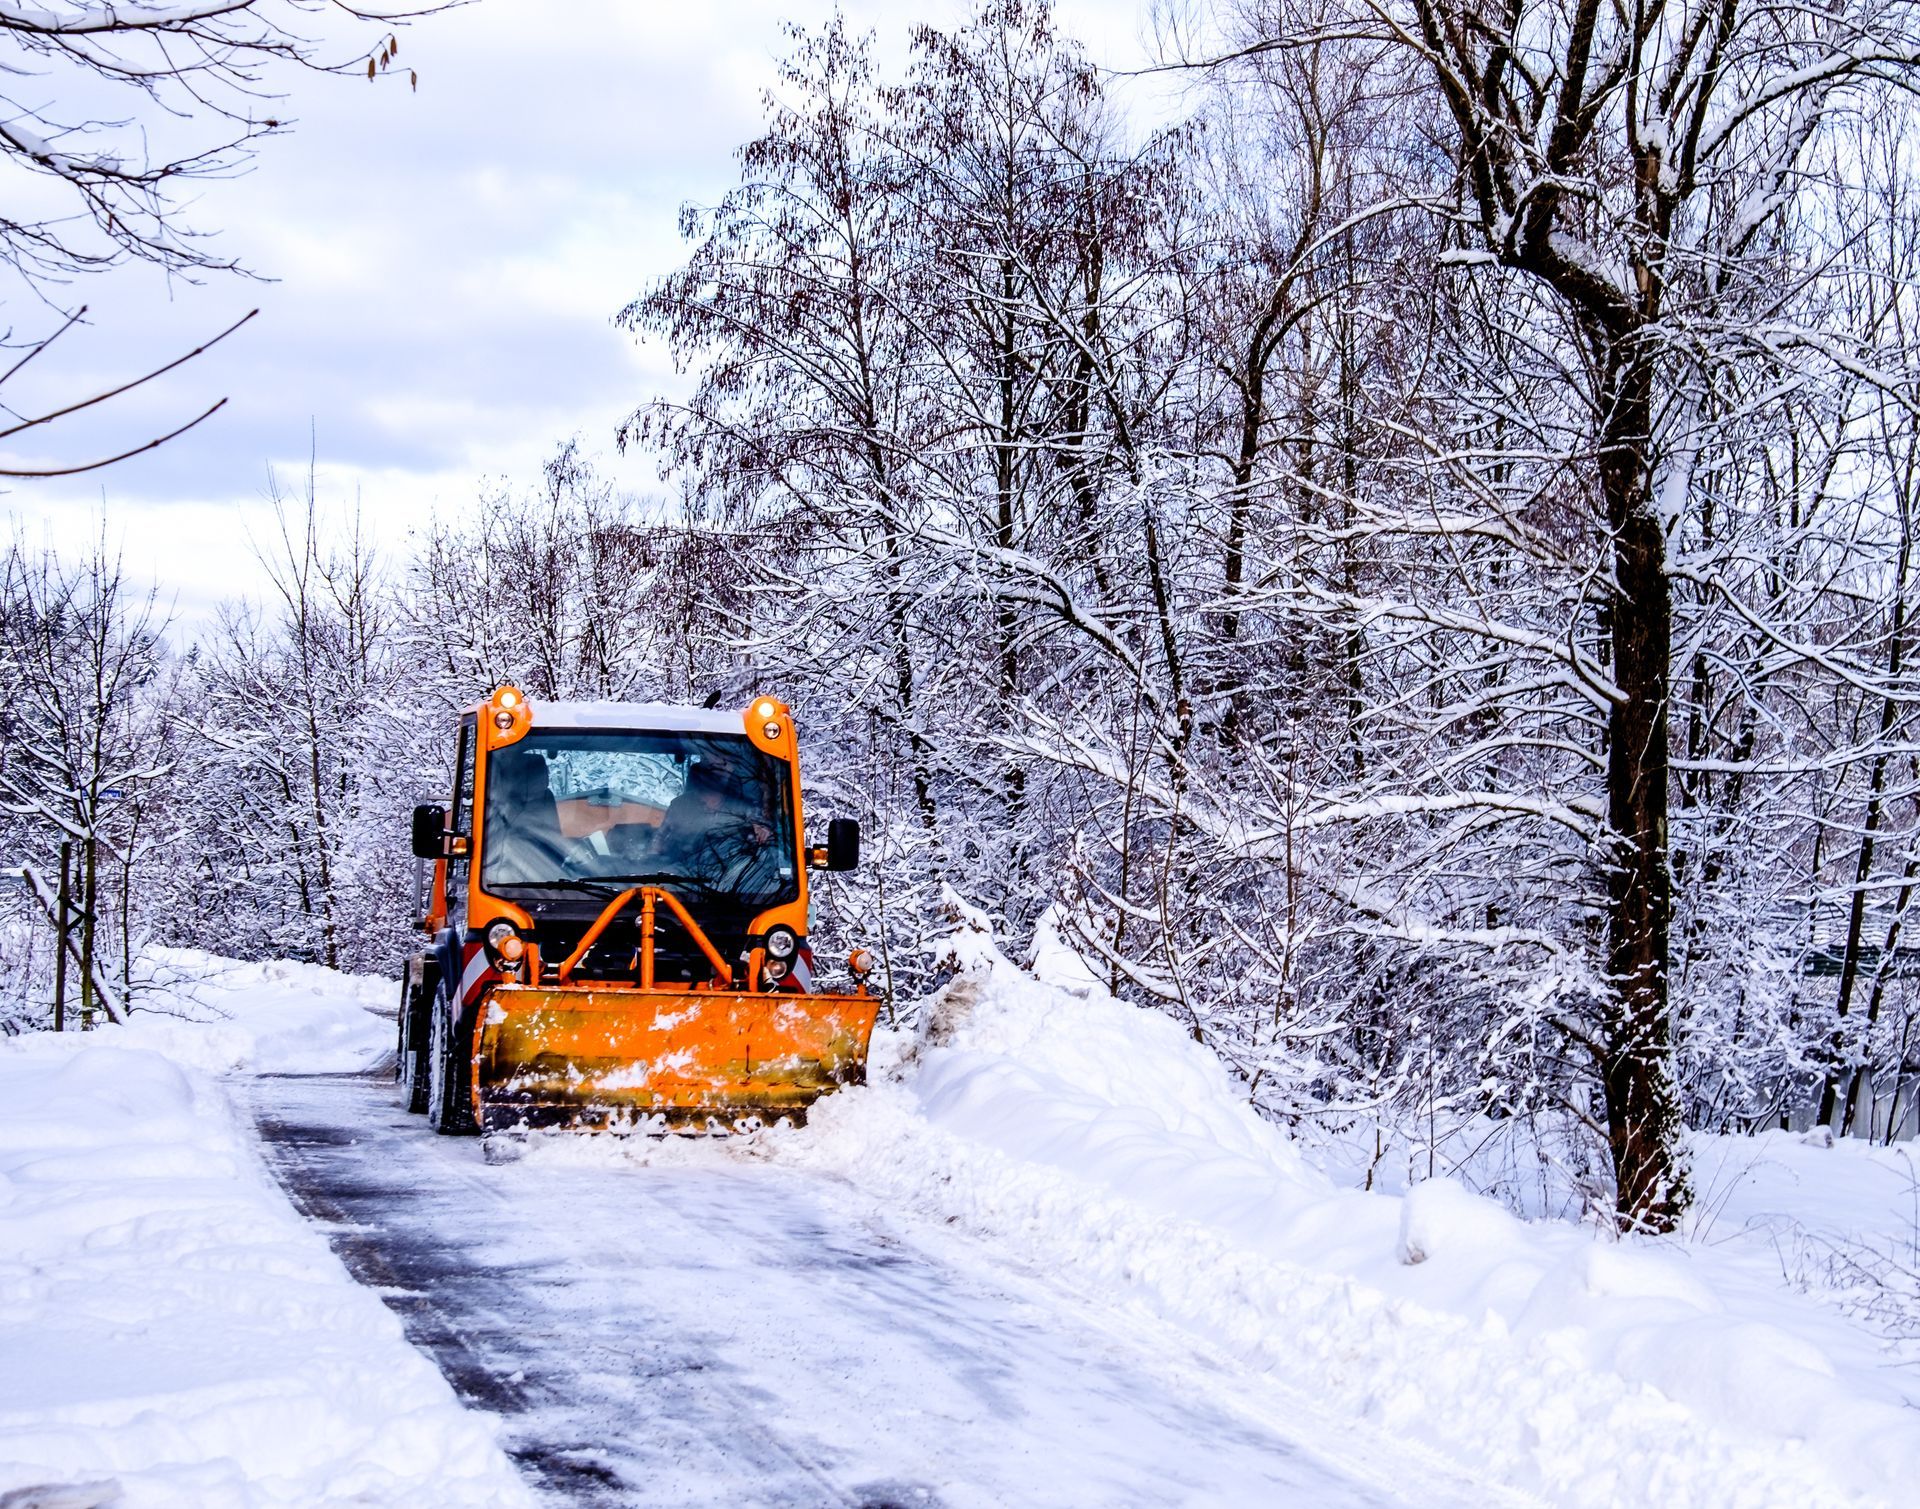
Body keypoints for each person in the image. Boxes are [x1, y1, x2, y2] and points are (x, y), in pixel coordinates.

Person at [654, 757, 774, 887]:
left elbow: (763, 830)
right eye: (705, 787)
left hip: (729, 882)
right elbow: (660, 840)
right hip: (685, 877)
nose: (708, 796)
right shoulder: (680, 805)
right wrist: (657, 855)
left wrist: (762, 829)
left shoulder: (742, 810)